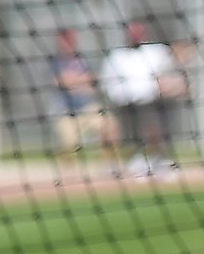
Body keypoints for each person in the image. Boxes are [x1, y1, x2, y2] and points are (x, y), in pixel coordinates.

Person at [100, 21, 178, 177]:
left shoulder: (155, 52)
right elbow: (105, 81)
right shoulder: (117, 56)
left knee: (154, 131)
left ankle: (158, 160)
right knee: (124, 133)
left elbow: (172, 65)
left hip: (149, 101)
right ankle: (131, 162)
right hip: (123, 103)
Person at [49, 27, 111, 165]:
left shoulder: (82, 60)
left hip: (86, 107)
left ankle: (108, 165)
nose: (68, 44)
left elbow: (93, 84)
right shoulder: (54, 61)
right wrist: (80, 82)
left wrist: (74, 82)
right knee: (70, 142)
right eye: (65, 41)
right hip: (64, 111)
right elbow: (60, 81)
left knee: (108, 123)